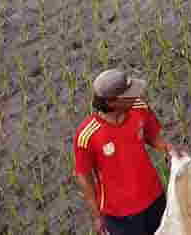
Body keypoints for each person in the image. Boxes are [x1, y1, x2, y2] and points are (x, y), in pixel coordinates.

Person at [74, 69, 178, 235]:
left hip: (154, 198)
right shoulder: (87, 135)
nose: (136, 96)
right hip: (119, 214)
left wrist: (168, 149)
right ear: (111, 102)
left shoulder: (139, 108)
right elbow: (84, 177)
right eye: (128, 95)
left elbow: (151, 136)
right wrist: (96, 216)